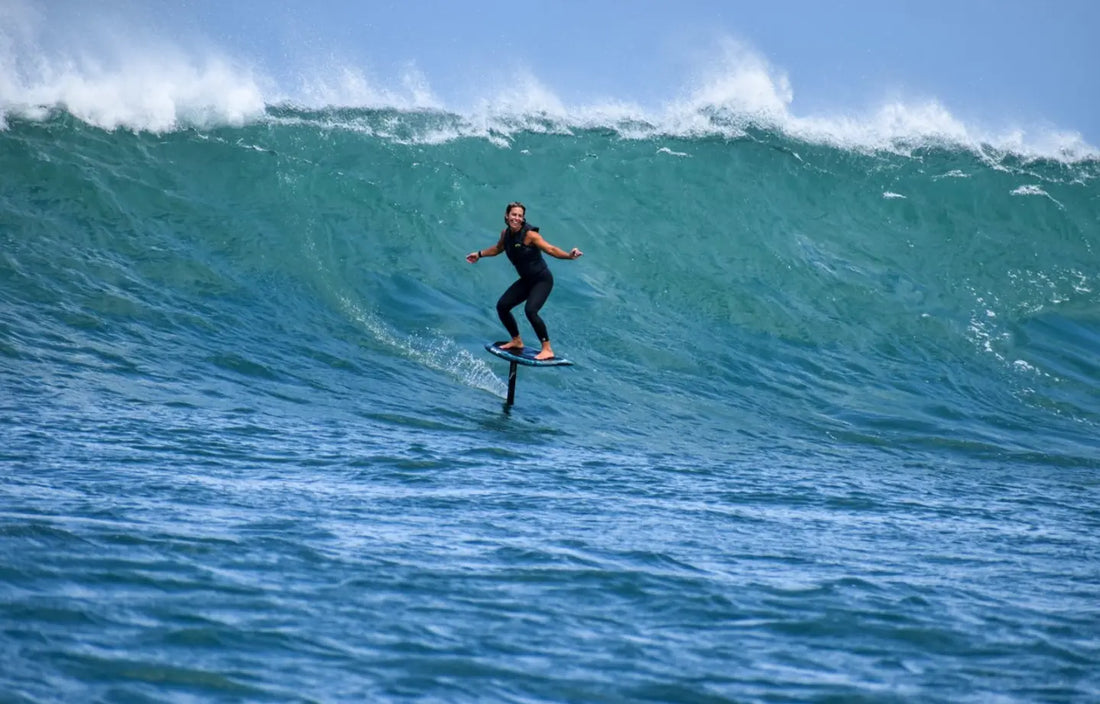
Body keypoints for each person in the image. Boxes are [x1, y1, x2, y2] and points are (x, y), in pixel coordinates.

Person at [466, 202, 582, 360]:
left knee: (531, 311)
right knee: (503, 306)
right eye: (514, 214)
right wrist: (479, 254)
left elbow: (551, 249)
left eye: (520, 216)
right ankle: (516, 340)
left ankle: (547, 349)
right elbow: (498, 248)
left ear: (523, 218)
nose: (517, 218)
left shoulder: (530, 235)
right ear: (507, 216)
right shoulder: (505, 234)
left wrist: (569, 256)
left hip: (542, 280)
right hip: (527, 280)